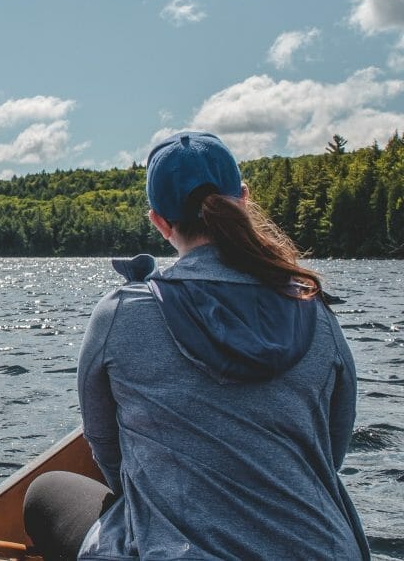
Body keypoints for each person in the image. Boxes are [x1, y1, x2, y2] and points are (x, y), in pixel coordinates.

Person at [24, 131, 369, 560]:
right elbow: (331, 453)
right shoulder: (314, 307)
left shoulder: (121, 313)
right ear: (242, 199)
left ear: (159, 222)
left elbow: (107, 450)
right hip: (324, 549)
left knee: (47, 490)